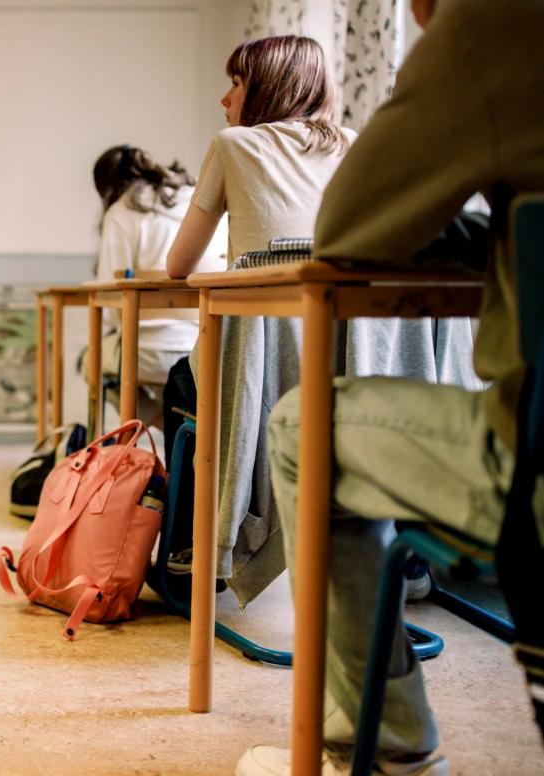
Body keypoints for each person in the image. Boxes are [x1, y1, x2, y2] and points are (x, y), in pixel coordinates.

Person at [237, 0, 544, 773]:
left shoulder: (495, 25)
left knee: (299, 427)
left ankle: (386, 746)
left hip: (530, 472)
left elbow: (347, 227)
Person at [162, 34, 481, 605]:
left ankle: (197, 555)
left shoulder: (233, 145)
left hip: (269, 376)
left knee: (181, 383)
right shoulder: (356, 147)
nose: (224, 97)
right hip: (361, 373)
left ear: (268, 87)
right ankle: (390, 540)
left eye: (235, 82)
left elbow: (178, 265)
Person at [89, 145, 226, 433]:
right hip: (203, 346)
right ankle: (184, 431)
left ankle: (165, 426)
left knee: (90, 363)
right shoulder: (197, 198)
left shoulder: (121, 210)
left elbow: (113, 307)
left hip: (143, 350)